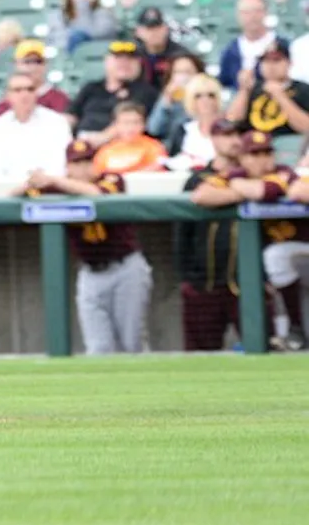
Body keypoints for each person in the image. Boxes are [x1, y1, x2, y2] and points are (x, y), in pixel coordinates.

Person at [21, 140, 152, 354]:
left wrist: (54, 179)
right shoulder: (59, 188)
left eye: (87, 162)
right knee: (98, 347)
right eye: (77, 163)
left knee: (132, 343)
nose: (83, 169)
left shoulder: (112, 178)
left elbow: (97, 194)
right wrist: (34, 181)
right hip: (90, 273)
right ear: (68, 167)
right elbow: (13, 196)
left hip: (126, 268)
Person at [198, 130, 307, 351]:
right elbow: (200, 195)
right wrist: (239, 190)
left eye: (267, 153)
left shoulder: (283, 172)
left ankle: (294, 328)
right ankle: (293, 331)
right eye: (255, 154)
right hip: (288, 268)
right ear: (243, 158)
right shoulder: (236, 175)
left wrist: (237, 186)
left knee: (275, 257)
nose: (263, 159)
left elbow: (267, 190)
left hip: (303, 247)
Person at [178, 119, 242, 351]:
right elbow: (182, 234)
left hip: (245, 282)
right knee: (201, 355)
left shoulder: (253, 174)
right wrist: (187, 277)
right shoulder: (198, 179)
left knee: (263, 349)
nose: (233, 141)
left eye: (237, 134)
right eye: (226, 135)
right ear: (213, 139)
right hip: (204, 282)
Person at [0, 71, 72, 178]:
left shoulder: (57, 122)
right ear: (8, 95)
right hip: (9, 190)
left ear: (36, 93)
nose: (25, 94)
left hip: (50, 188)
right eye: (18, 90)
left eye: (30, 89)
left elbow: (62, 164)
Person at [69, 40, 160, 144]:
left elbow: (132, 123)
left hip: (119, 148)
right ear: (107, 61)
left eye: (130, 59)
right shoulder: (91, 87)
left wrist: (100, 138)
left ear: (138, 63)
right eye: (118, 58)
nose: (124, 63)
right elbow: (71, 114)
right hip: (80, 143)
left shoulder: (146, 92)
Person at [226, 40, 309, 137]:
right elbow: (231, 121)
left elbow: (306, 127)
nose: (271, 66)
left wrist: (281, 96)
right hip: (252, 144)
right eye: (266, 61)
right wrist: (244, 90)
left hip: (289, 144)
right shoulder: (252, 89)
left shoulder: (303, 89)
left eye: (276, 60)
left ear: (289, 63)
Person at [216, 0, 289, 88]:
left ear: (265, 13)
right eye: (246, 12)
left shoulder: (283, 46)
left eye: (257, 11)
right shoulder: (230, 51)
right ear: (238, 16)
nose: (252, 16)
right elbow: (224, 83)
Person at [93, 102, 169, 174]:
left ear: (143, 124)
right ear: (116, 125)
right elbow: (98, 174)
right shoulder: (105, 151)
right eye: (126, 123)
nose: (131, 128)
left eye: (135, 122)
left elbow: (157, 168)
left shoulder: (155, 147)